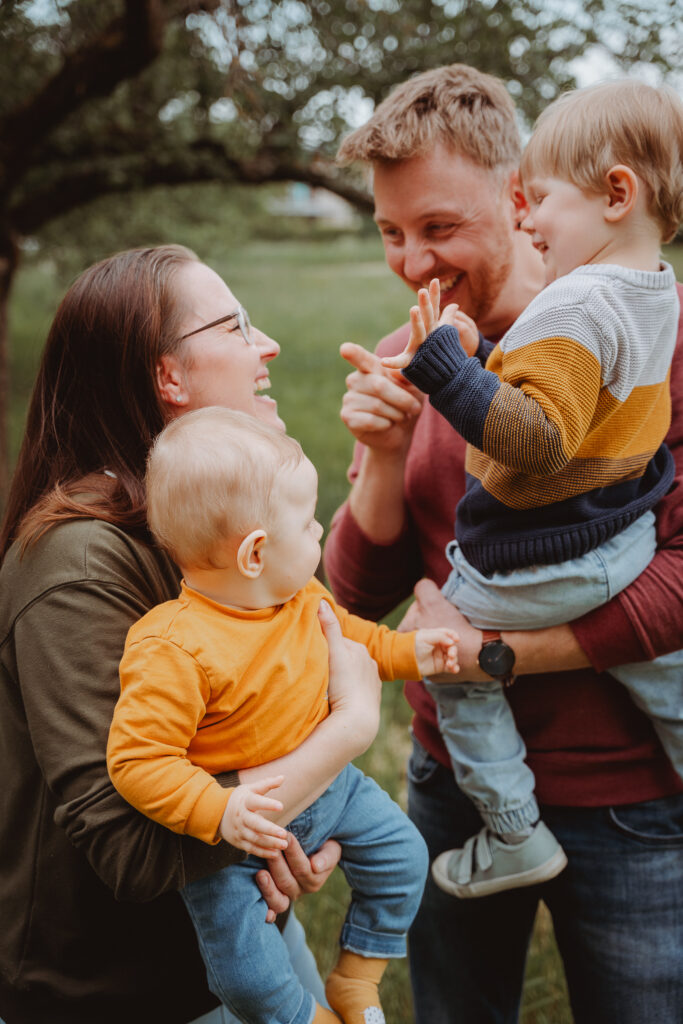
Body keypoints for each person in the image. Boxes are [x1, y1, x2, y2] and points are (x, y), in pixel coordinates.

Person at [323, 64, 683, 1024]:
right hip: (452, 787)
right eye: (392, 234)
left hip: (626, 802)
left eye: (438, 229)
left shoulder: (644, 339)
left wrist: (491, 658)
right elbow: (352, 596)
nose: (411, 264)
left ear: (521, 198)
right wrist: (387, 457)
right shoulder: (419, 352)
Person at [0, 244, 384, 1024]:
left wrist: (282, 835)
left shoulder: (201, 537)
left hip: (236, 937)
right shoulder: (77, 563)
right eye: (235, 325)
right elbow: (129, 853)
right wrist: (347, 733)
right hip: (125, 994)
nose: (266, 344)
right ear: (168, 378)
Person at [107, 407, 458, 1024]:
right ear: (254, 553)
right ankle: (306, 1016)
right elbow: (137, 760)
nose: (319, 529)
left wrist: (412, 652)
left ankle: (356, 975)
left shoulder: (301, 598)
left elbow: (356, 640)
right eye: (308, 522)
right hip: (235, 837)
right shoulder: (173, 647)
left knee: (404, 858)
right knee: (244, 971)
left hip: (333, 789)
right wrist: (220, 810)